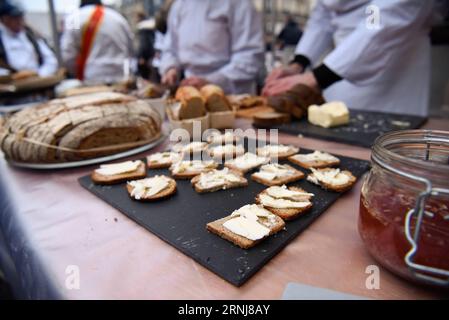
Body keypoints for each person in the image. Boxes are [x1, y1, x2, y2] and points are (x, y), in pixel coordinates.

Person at [263, 0, 440, 117]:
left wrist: (317, 76)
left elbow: (384, 21)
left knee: (391, 145)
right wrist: (299, 63)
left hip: (395, 57)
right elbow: (323, 14)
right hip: (338, 62)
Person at [159, 0, 264, 94]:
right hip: (191, 90)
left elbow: (250, 57)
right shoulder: (179, 5)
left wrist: (212, 81)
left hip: (233, 94)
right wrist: (170, 68)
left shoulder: (240, 3)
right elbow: (170, 49)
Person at [61, 0, 134, 83]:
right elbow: (130, 49)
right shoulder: (118, 18)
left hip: (92, 78)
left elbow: (68, 55)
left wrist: (74, 72)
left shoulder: (75, 18)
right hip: (122, 76)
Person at [0, 1, 58, 77]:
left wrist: (40, 74)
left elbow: (50, 59)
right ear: (4, 19)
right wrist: (11, 76)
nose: (19, 21)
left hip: (37, 79)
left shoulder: (30, 35)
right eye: (14, 18)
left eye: (20, 17)